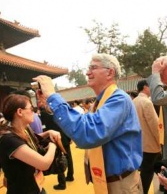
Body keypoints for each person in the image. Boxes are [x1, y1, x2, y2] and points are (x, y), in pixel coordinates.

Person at [33, 53, 143, 194]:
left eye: (93, 67)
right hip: (106, 180)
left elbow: (88, 133)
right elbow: (81, 125)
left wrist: (53, 97)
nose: (87, 72)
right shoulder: (99, 103)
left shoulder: (119, 100)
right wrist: (49, 105)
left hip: (120, 185)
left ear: (110, 72)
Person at [0, 94, 60, 194]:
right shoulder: (9, 139)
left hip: (35, 187)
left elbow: (31, 139)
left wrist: (47, 133)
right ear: (20, 112)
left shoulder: (25, 129)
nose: (33, 111)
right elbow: (44, 164)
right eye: (31, 108)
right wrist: (52, 145)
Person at [133, 79, 161, 194]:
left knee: (153, 167)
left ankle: (164, 186)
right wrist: (160, 141)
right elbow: (155, 125)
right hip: (150, 144)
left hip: (138, 143)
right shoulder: (146, 102)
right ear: (145, 87)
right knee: (147, 171)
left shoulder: (134, 101)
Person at [40, 105, 74, 190]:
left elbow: (44, 128)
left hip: (55, 139)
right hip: (64, 138)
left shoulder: (44, 115)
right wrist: (69, 137)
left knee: (59, 160)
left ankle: (62, 184)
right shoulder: (60, 113)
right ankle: (70, 176)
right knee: (68, 157)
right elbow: (66, 126)